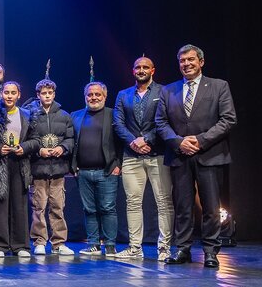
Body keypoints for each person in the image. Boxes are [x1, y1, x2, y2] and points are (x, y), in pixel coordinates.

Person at [156, 44, 237, 268]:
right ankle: (183, 249)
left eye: (191, 59)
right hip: (179, 155)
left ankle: (210, 251)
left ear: (201, 62)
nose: (186, 64)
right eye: (182, 61)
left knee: (210, 207)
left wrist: (200, 141)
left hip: (209, 154)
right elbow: (160, 122)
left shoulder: (219, 86)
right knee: (182, 206)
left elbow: (228, 119)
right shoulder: (168, 90)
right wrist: (179, 142)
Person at [112, 56, 173, 261]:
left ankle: (164, 248)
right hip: (131, 155)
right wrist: (133, 142)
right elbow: (118, 123)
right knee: (132, 202)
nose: (141, 70)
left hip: (158, 154)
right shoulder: (123, 94)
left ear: (153, 70)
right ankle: (135, 248)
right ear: (133, 71)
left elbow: (166, 121)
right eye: (137, 67)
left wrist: (146, 139)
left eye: (145, 67)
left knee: (163, 202)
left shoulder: (163, 91)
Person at [0, 81, 36, 258]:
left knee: (19, 206)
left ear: (19, 95)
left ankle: (20, 246)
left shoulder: (27, 115)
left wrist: (24, 148)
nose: (9, 96)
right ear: (1, 94)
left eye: (13, 93)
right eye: (6, 92)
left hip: (20, 163)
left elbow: (35, 140)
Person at [71, 82, 123, 257]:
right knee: (89, 210)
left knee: (107, 208)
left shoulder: (113, 114)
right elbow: (71, 142)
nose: (93, 98)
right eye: (90, 94)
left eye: (97, 94)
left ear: (105, 96)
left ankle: (110, 245)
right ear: (85, 96)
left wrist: (118, 164)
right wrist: (73, 166)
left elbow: (121, 142)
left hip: (107, 170)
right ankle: (93, 244)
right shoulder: (75, 116)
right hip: (83, 172)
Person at [25, 79, 75, 256]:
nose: (47, 96)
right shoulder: (30, 115)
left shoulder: (64, 115)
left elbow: (70, 138)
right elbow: (27, 139)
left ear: (54, 94)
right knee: (38, 207)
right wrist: (39, 150)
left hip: (58, 169)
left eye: (50, 93)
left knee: (57, 207)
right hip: (38, 169)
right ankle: (39, 241)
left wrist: (63, 148)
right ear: (38, 95)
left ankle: (59, 243)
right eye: (44, 93)